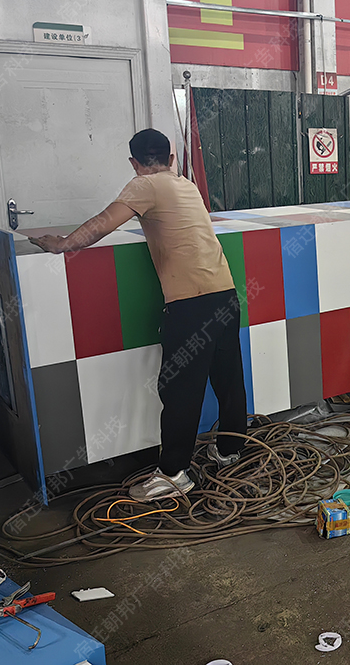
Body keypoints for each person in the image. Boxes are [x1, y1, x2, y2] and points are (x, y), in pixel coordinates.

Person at [30, 129, 248, 502]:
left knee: (179, 390)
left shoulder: (144, 185)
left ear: (134, 163)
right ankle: (230, 451)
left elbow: (103, 223)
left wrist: (61, 244)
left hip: (190, 304)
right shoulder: (185, 184)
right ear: (171, 158)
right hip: (225, 296)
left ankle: (174, 474)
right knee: (228, 379)